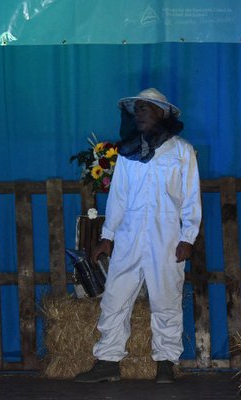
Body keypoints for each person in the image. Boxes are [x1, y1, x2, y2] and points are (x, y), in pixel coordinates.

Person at [74, 88, 202, 384]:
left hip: (167, 236)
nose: (140, 113)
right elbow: (118, 197)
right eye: (138, 109)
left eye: (146, 108)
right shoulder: (129, 153)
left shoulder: (182, 151)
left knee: (166, 299)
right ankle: (107, 361)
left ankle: (166, 364)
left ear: (162, 113)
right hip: (129, 235)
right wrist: (107, 237)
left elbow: (192, 197)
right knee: (115, 297)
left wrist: (188, 238)